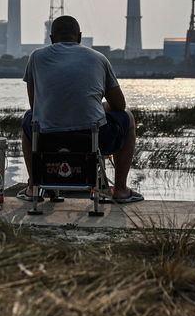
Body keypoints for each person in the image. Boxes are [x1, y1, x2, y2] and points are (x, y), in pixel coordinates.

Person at [19, 15, 142, 203]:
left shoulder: (36, 57)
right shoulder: (98, 58)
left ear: (51, 39)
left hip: (47, 140)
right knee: (128, 118)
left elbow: (35, 106)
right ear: (80, 37)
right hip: (93, 139)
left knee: (28, 119)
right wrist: (101, 107)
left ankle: (34, 186)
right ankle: (120, 190)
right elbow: (119, 105)